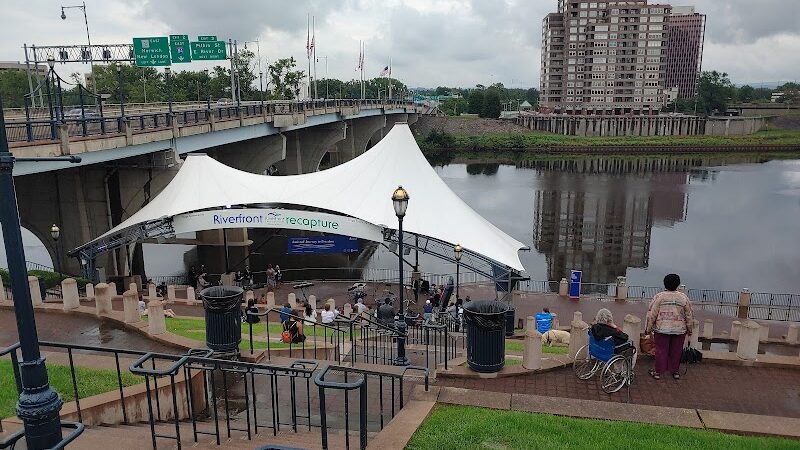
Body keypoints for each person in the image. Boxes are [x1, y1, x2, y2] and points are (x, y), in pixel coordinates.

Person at [646, 273, 694, 380]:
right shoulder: (683, 297)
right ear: (678, 284)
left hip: (661, 328)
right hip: (679, 330)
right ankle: (675, 371)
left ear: (665, 283)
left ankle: (658, 372)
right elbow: (689, 315)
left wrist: (648, 329)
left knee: (660, 350)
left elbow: (652, 314)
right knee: (676, 351)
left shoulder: (659, 297)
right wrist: (690, 329)